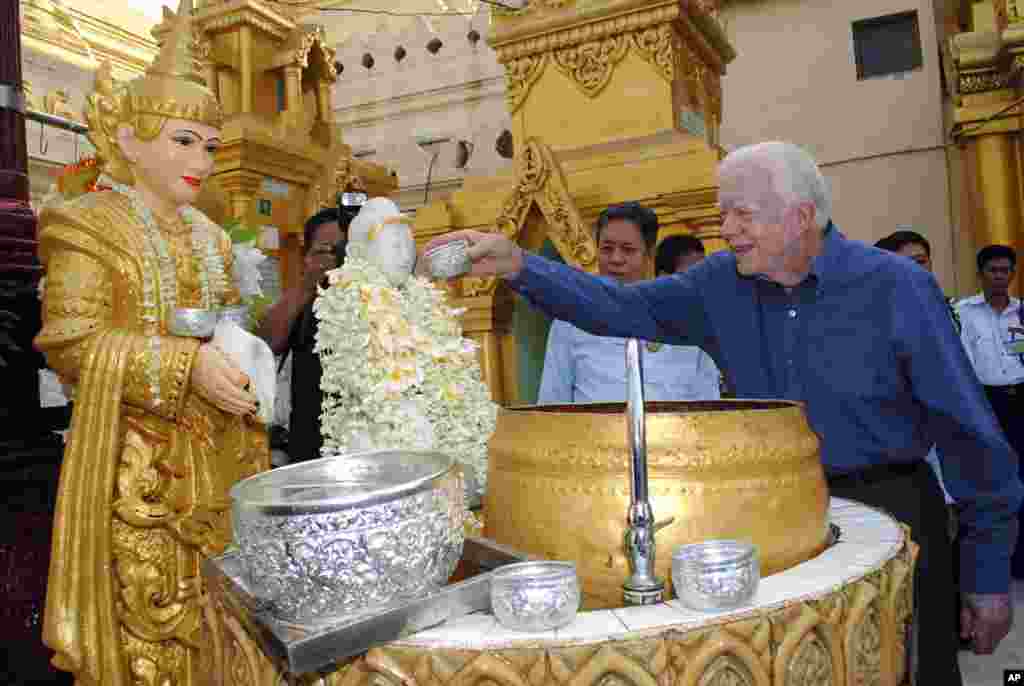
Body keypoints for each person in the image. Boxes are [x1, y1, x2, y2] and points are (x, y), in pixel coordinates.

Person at [425, 141, 1022, 684]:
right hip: (776, 518)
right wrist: (520, 266)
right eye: (723, 211)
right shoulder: (719, 285)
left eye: (742, 213)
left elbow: (969, 433)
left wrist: (989, 574)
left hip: (897, 514)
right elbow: (617, 306)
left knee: (908, 669)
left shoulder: (895, 288)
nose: (726, 228)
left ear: (801, 217)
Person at [34, 3, 269, 684]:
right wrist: (182, 363)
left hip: (220, 457)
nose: (203, 159)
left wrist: (240, 358)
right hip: (133, 465)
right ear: (130, 142)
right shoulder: (86, 226)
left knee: (227, 619)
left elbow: (223, 327)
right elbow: (72, 341)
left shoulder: (213, 237)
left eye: (210, 146)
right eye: (184, 141)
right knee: (148, 627)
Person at [538, 203, 720, 403]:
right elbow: (552, 406)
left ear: (649, 255)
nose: (616, 259)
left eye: (628, 250)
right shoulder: (570, 320)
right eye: (607, 249)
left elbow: (708, 406)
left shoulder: (686, 320)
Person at [258, 207, 351, 463]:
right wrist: (308, 283)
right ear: (306, 255)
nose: (337, 258)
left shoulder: (376, 299)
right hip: (310, 447)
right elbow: (265, 345)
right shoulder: (302, 298)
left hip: (361, 441)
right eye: (325, 249)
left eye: (343, 249)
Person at [874, 229, 958, 505]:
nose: (915, 270)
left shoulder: (950, 310)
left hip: (952, 428)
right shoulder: (876, 317)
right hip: (905, 441)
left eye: (921, 262)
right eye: (905, 263)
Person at [957, 244, 1024, 579]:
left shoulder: (1021, 312)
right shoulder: (963, 312)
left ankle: (1021, 560)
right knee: (989, 480)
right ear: (981, 274)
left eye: (1006, 270)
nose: (1000, 276)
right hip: (984, 402)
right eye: (993, 270)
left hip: (1021, 400)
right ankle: (989, 560)